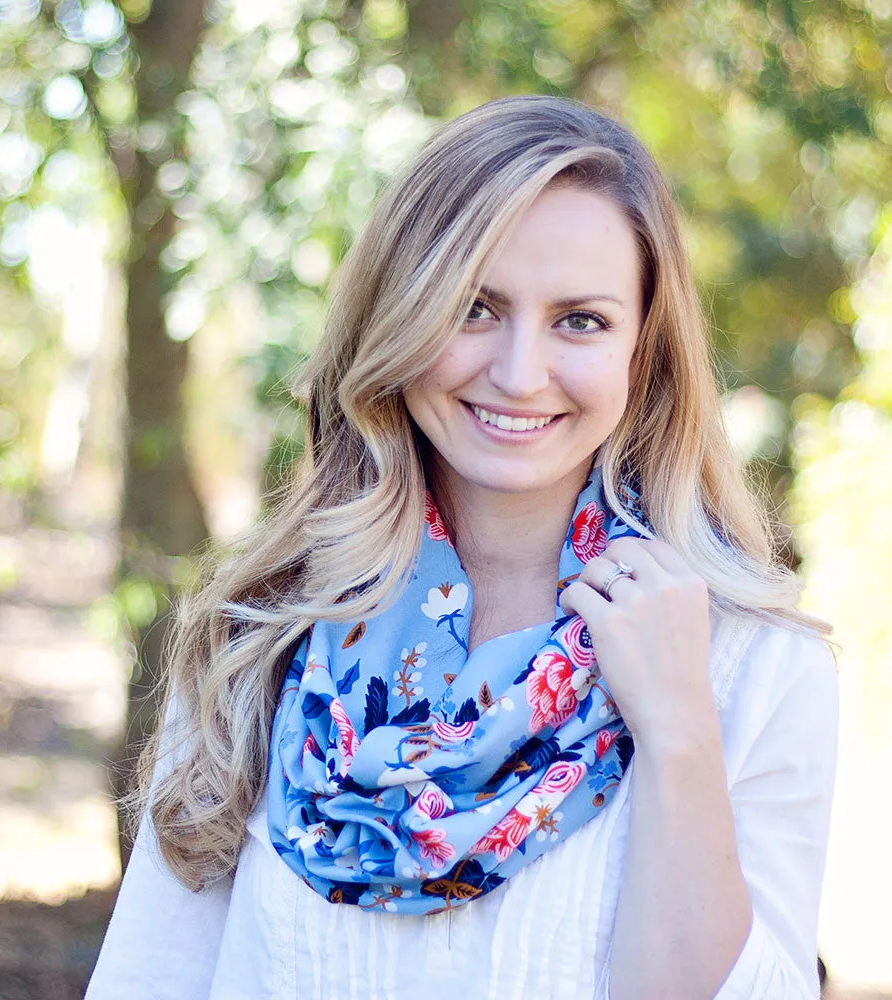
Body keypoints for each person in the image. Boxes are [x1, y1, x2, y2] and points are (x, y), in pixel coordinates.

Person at [86, 95, 838, 1000]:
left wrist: (678, 730)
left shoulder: (754, 667)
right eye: (474, 307)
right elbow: (151, 980)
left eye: (581, 320)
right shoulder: (265, 635)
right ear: (398, 316)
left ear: (646, 352)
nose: (521, 374)